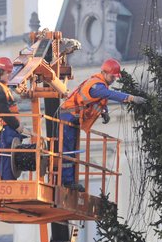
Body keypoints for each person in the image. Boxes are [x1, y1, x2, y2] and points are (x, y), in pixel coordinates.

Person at [55, 58, 146, 191]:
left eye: (115, 77)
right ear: (104, 72)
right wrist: (130, 98)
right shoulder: (96, 85)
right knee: (68, 150)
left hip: (72, 118)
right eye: (112, 76)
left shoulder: (100, 85)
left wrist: (105, 111)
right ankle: (67, 181)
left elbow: (99, 100)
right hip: (67, 117)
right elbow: (108, 94)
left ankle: (70, 181)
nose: (114, 79)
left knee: (71, 151)